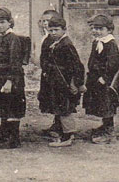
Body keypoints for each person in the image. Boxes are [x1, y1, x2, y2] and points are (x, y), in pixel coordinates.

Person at [38, 15, 85, 148]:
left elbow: (77, 66)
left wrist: (76, 83)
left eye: (56, 30)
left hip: (65, 82)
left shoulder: (67, 45)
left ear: (64, 30)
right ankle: (59, 129)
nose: (53, 33)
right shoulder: (55, 42)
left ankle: (68, 135)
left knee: (65, 108)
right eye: (51, 30)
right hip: (57, 82)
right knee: (59, 105)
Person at [0, 7, 27, 149]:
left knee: (12, 107)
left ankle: (14, 139)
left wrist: (10, 81)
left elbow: (15, 62)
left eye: (2, 22)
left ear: (10, 23)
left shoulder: (13, 39)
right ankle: (4, 132)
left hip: (11, 77)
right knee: (3, 105)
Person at [82, 13, 119, 145]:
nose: (96, 31)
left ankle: (109, 131)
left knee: (107, 103)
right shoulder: (97, 41)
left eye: (100, 29)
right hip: (96, 78)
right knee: (99, 103)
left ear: (109, 30)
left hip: (107, 80)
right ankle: (104, 125)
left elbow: (113, 64)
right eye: (95, 28)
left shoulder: (110, 44)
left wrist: (105, 77)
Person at [36, 8, 63, 139]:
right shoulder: (47, 36)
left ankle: (60, 127)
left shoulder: (56, 38)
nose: (45, 24)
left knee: (58, 100)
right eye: (43, 21)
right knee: (51, 99)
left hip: (55, 74)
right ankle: (56, 124)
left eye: (49, 21)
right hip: (48, 73)